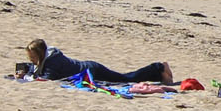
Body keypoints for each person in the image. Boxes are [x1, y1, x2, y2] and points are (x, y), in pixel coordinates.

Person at [21, 38, 172, 86]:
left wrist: (26, 78)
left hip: (91, 70)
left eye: (33, 57)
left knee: (125, 79)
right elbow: (37, 68)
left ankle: (158, 67)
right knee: (125, 78)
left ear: (41, 54)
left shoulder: (52, 62)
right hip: (89, 67)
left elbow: (47, 78)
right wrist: (26, 70)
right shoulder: (48, 58)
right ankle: (159, 74)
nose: (31, 60)